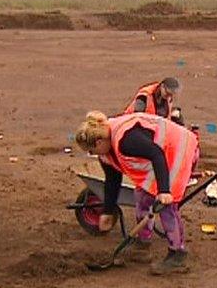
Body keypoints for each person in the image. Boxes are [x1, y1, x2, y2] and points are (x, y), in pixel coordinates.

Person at [74, 111, 199, 274]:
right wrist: (108, 211)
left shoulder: (126, 140)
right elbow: (112, 180)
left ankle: (178, 254)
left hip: (178, 150)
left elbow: (157, 154)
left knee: (166, 206)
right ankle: (143, 244)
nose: (91, 155)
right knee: (141, 195)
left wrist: (164, 191)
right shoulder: (106, 150)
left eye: (91, 150)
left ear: (98, 142)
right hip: (161, 157)